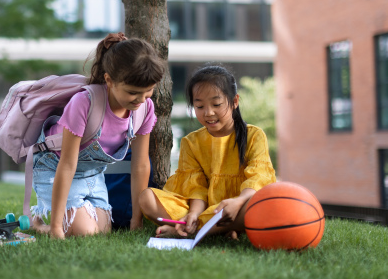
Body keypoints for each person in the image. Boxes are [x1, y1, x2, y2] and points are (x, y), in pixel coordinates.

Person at [30, 32, 166, 239]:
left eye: (148, 91)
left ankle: (74, 217)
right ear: (109, 80)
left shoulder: (145, 109)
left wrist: (136, 221)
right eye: (132, 92)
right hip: (54, 168)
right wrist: (57, 228)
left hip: (93, 174)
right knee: (86, 232)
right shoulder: (84, 103)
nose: (140, 99)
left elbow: (140, 164)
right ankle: (42, 225)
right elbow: (67, 163)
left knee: (101, 232)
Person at [139, 65, 276, 239]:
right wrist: (194, 214)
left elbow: (258, 178)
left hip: (240, 205)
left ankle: (188, 232)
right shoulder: (191, 142)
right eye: (200, 106)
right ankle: (210, 228)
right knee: (147, 198)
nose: (208, 113)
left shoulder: (254, 135)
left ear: (234, 101)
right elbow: (196, 188)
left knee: (257, 205)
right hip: (207, 210)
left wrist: (238, 202)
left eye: (216, 104)